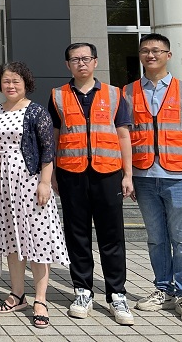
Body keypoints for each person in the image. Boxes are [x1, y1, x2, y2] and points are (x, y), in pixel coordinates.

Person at [48, 42, 135, 326]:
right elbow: (54, 137)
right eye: (75, 59)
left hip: (107, 173)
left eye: (86, 58)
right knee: (77, 235)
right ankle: (82, 290)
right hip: (71, 173)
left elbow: (123, 135)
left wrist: (128, 174)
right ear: (67, 65)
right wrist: (52, 174)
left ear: (96, 62)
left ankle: (116, 294)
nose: (81, 63)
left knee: (112, 235)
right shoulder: (58, 95)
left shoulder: (114, 94)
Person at [125, 33, 182, 326]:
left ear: (168, 55)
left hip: (180, 177)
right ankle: (164, 289)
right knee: (156, 239)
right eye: (145, 50)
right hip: (144, 177)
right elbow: (124, 137)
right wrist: (128, 175)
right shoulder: (128, 91)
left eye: (157, 50)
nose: (151, 55)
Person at [0, 62, 69, 329]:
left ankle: (40, 299)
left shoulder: (36, 111)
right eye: (6, 81)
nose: (10, 86)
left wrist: (45, 182)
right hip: (2, 184)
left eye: (16, 81)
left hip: (30, 182)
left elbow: (47, 150)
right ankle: (18, 294)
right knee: (12, 240)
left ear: (26, 84)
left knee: (37, 240)